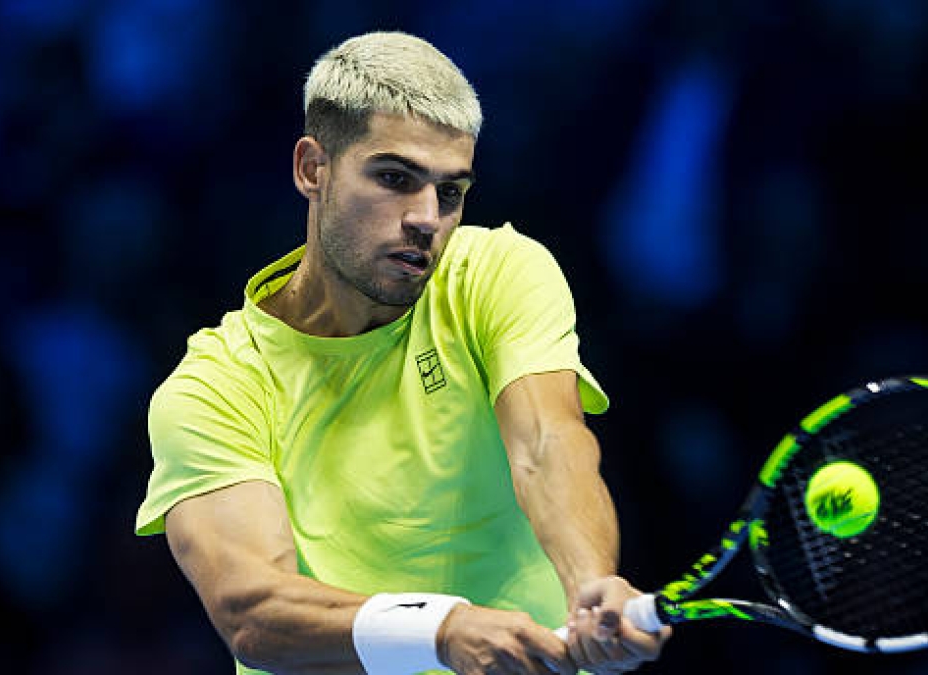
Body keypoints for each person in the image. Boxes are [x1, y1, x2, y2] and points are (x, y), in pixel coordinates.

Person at [135, 30, 667, 675]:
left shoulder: (495, 271)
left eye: (450, 192)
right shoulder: (214, 388)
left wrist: (590, 587)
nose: (426, 218)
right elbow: (253, 609)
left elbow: (548, 445)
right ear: (312, 168)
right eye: (394, 178)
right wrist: (440, 628)